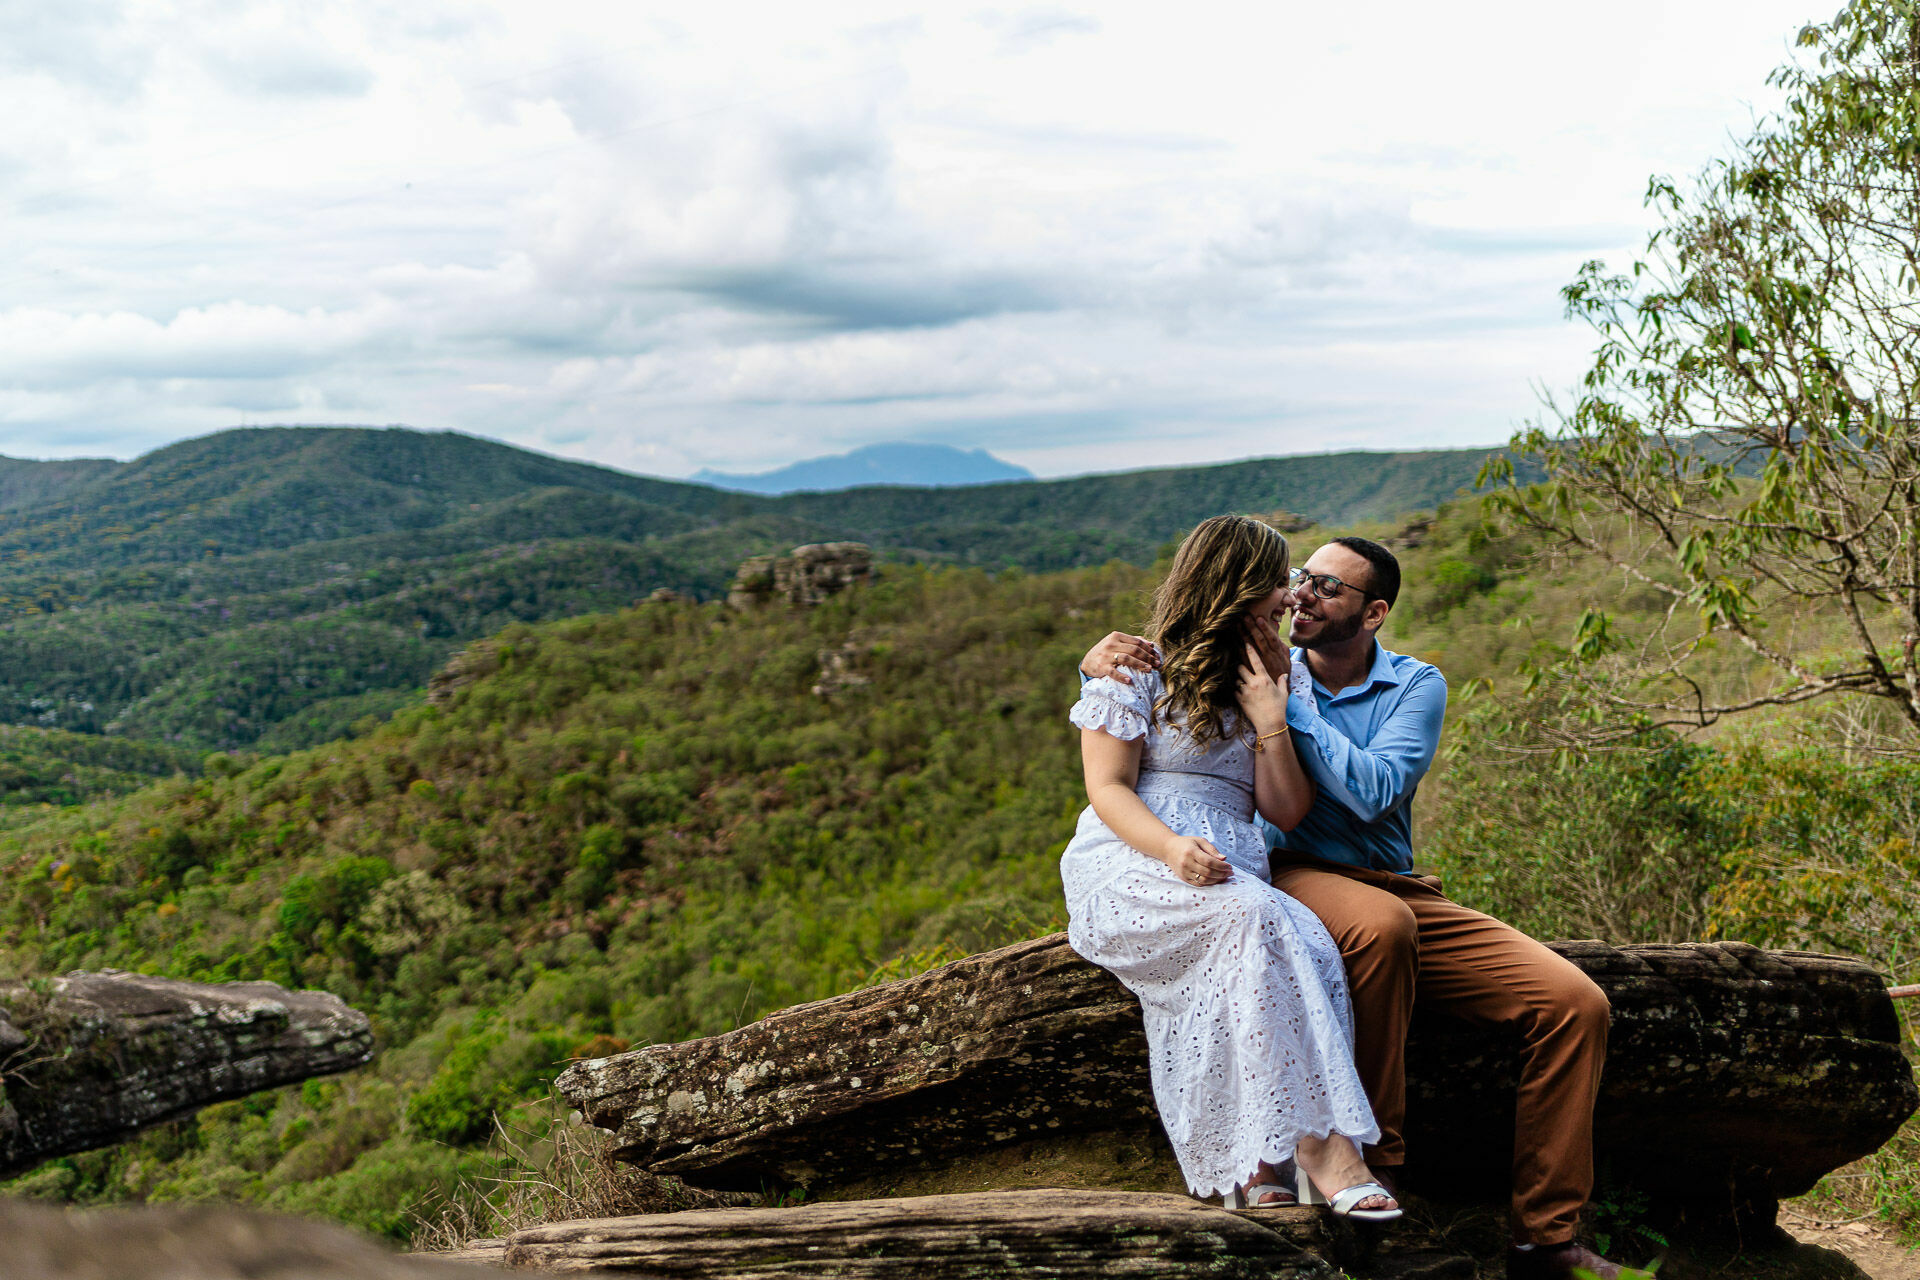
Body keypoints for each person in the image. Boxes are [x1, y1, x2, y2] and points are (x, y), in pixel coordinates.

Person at [1081, 535, 1639, 1280]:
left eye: (1327, 588)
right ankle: (1374, 1172)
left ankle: (1545, 1240)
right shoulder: (1255, 665)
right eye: (1300, 579)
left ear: (1373, 614)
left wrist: (1282, 705)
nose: (1301, 596)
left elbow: (1376, 791)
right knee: (1381, 929)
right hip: (1292, 874)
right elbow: (1151, 722)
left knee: (1576, 1005)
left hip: (1394, 880)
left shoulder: (1408, 685)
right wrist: (1098, 662)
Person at [1062, 515, 1397, 1217]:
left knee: (1304, 938)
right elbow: (1108, 788)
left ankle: (1260, 1162)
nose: (1291, 596)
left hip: (1230, 863)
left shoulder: (1276, 677)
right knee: (1256, 918)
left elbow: (1285, 811)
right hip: (1134, 855)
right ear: (1235, 585)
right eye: (1280, 581)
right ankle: (1322, 1151)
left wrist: (1271, 713)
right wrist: (1171, 848)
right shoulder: (1135, 668)